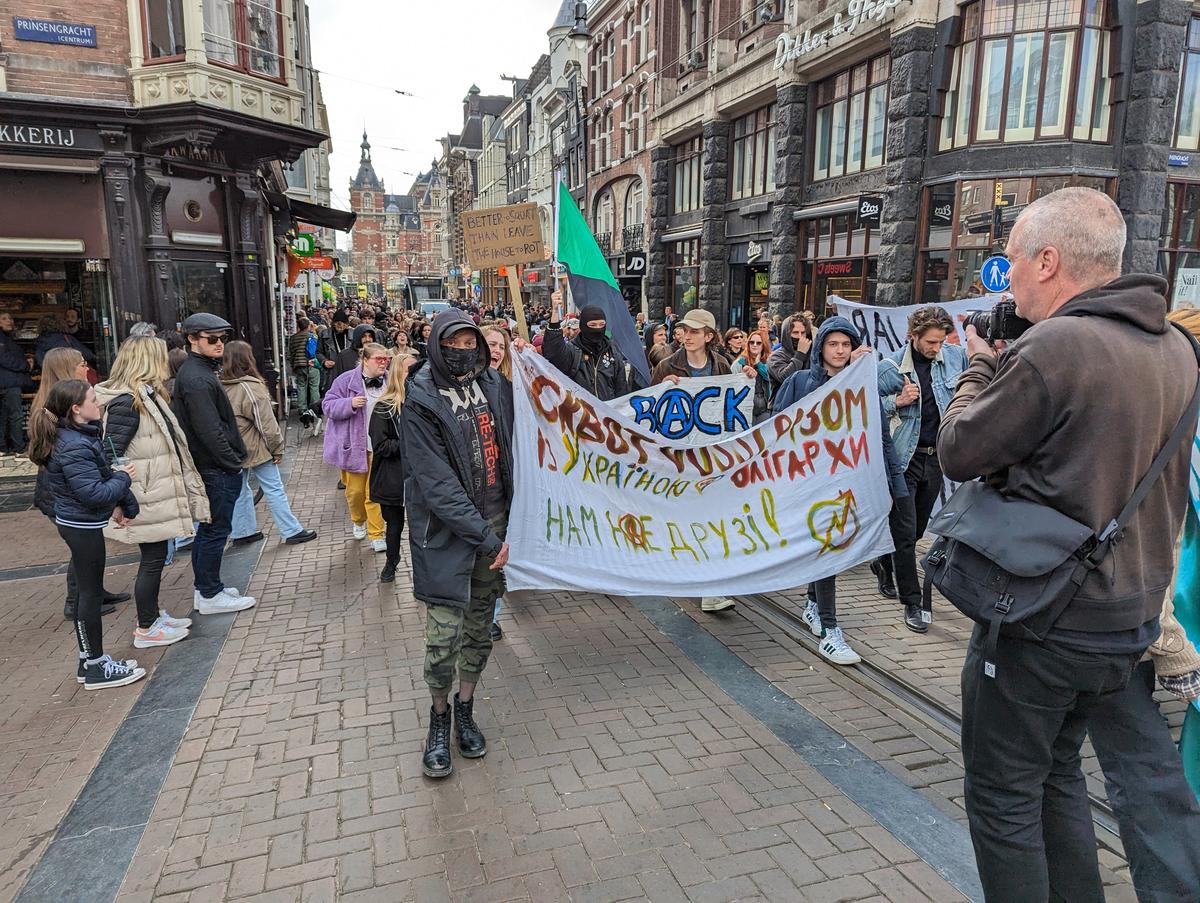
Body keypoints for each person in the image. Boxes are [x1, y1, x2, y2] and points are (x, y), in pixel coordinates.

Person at [937, 187, 1198, 901]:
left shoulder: (1059, 344)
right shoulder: (1178, 346)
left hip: (1042, 618)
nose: (1008, 274)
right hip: (1123, 621)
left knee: (1003, 797)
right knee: (1056, 777)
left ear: (1049, 261)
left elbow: (959, 448)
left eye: (1013, 258)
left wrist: (980, 364)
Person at [403, 311, 513, 779]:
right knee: (442, 639)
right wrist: (486, 537)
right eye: (455, 341)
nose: (465, 349)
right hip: (449, 538)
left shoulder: (494, 386)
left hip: (497, 528)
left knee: (478, 630)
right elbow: (438, 485)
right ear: (436, 344)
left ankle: (466, 708)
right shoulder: (421, 399)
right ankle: (439, 716)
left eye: (472, 341)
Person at [774, 316, 908, 665]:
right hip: (807, 484)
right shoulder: (800, 381)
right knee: (828, 550)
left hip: (845, 484)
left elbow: (879, 438)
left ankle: (813, 604)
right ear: (821, 348)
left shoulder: (861, 387)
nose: (839, 350)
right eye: (833, 344)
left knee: (827, 549)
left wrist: (895, 484)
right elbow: (776, 427)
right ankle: (831, 631)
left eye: (845, 345)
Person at [28, 379, 145, 689]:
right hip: (81, 526)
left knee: (86, 591)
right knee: (89, 594)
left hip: (81, 523)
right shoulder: (74, 445)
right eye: (94, 399)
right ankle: (95, 666)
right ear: (76, 409)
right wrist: (124, 480)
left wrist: (124, 502)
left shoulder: (81, 436)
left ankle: (88, 661)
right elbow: (93, 492)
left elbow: (102, 475)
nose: (100, 404)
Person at [95, 336, 206, 649]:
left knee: (155, 557)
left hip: (152, 491)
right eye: (160, 357)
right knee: (153, 559)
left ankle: (153, 617)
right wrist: (122, 500)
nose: (166, 363)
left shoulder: (146, 396)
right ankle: (146, 626)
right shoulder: (127, 403)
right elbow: (110, 452)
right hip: (143, 495)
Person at [876, 306, 968, 632]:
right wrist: (895, 403)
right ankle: (912, 603)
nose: (935, 348)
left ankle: (882, 562)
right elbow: (867, 406)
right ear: (912, 337)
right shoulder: (889, 369)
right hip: (904, 459)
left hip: (935, 459)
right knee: (905, 535)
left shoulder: (955, 358)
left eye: (941, 341)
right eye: (930, 342)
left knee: (915, 531)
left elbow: (979, 375)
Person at [31, 347, 131, 618]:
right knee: (82, 547)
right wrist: (119, 478)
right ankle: (78, 602)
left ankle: (93, 591)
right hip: (63, 492)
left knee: (88, 546)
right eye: (81, 364)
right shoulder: (56, 409)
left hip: (69, 487)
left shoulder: (72, 406)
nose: (86, 368)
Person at [171, 313, 256, 616]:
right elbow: (209, 429)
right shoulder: (195, 378)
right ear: (193, 340)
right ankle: (209, 593)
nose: (219, 344)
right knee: (214, 531)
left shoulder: (200, 373)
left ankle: (209, 589)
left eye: (222, 338)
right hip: (215, 468)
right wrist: (231, 463)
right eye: (212, 339)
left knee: (213, 530)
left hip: (216, 466)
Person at [221, 340, 317, 548]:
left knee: (241, 490)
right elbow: (266, 423)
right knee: (273, 488)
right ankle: (291, 530)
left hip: (233, 447)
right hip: (254, 446)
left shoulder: (222, 386)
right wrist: (277, 448)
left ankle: (242, 531)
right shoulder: (250, 387)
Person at [323, 341, 390, 552]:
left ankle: (377, 534)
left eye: (386, 359)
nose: (384, 363)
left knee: (375, 493)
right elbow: (327, 405)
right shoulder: (345, 380)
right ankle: (358, 520)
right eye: (379, 359)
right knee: (355, 493)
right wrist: (349, 404)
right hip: (354, 446)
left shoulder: (390, 380)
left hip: (380, 446)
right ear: (365, 360)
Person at [542, 293, 644, 400]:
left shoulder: (613, 354)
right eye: (592, 325)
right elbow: (552, 353)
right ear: (582, 326)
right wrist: (554, 313)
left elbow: (621, 391)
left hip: (607, 414)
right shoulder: (572, 351)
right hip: (581, 414)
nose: (597, 329)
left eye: (601, 325)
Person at [368, 353, 414, 584]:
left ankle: (422, 570)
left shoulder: (422, 402)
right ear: (397, 373)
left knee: (420, 528)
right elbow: (380, 444)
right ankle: (391, 563)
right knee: (394, 526)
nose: (413, 374)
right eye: (408, 370)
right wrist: (410, 442)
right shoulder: (384, 407)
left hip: (418, 478)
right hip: (392, 478)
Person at [650, 309, 731, 384]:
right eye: (685, 330)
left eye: (694, 332)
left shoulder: (721, 364)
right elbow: (650, 397)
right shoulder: (665, 366)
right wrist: (662, 387)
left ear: (708, 337)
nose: (687, 337)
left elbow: (732, 395)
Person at [0, 311, 30, 456]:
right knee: (16, 415)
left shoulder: (7, 338)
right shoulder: (2, 339)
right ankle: (18, 448)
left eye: (10, 318)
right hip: (8, 383)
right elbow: (5, 359)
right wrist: (26, 365)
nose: (9, 321)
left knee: (4, 415)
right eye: (4, 318)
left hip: (7, 382)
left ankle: (3, 447)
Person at [288, 317, 321, 433]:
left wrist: (293, 365)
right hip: (312, 365)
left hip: (299, 365)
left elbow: (290, 354)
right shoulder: (312, 336)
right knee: (314, 386)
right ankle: (315, 408)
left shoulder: (293, 338)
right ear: (308, 326)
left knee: (301, 386)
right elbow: (317, 351)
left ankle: (302, 408)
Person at [733, 329, 772, 424]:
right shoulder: (740, 362)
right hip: (744, 405)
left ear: (763, 345)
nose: (754, 345)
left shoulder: (769, 361)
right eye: (752, 342)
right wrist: (743, 374)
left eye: (758, 343)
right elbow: (731, 382)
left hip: (765, 406)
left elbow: (770, 377)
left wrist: (758, 363)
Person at [767, 314, 813, 391]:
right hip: (784, 401)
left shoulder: (812, 355)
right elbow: (785, 378)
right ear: (787, 334)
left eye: (803, 333)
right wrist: (800, 355)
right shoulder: (776, 356)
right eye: (795, 332)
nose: (800, 336)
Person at [317, 309, 352, 391]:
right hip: (332, 372)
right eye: (337, 323)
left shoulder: (353, 334)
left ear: (347, 324)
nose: (340, 325)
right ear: (333, 323)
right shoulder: (324, 334)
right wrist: (324, 361)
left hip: (350, 371)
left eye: (343, 323)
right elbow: (318, 352)